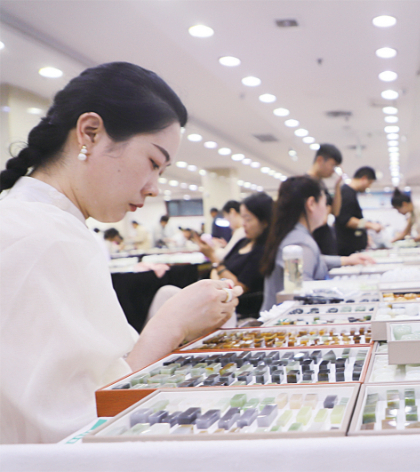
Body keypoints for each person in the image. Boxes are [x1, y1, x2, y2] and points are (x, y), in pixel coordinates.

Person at [0, 62, 242, 444]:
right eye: (153, 163)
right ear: (90, 133)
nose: (155, 188)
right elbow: (76, 431)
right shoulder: (42, 236)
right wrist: (170, 325)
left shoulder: (45, 223)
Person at [261, 176, 373, 310]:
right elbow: (300, 296)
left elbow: (313, 260)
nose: (327, 210)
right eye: (325, 203)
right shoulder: (300, 242)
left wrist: (346, 260)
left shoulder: (294, 236)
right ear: (311, 204)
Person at [196, 192, 273, 293]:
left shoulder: (263, 252)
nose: (243, 224)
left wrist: (213, 258)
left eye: (248, 219)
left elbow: (239, 287)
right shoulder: (243, 242)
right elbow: (219, 269)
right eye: (243, 218)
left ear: (264, 222)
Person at [335, 166, 382, 256]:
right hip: (348, 251)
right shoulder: (346, 193)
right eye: (369, 183)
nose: (368, 187)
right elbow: (346, 220)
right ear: (364, 178)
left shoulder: (351, 193)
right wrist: (371, 225)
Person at [307, 143, 343, 255]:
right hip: (316, 242)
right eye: (332, 165)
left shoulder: (320, 183)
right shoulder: (306, 184)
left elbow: (335, 211)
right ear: (320, 160)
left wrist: (337, 187)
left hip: (325, 241)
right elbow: (319, 218)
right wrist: (326, 211)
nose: (333, 170)